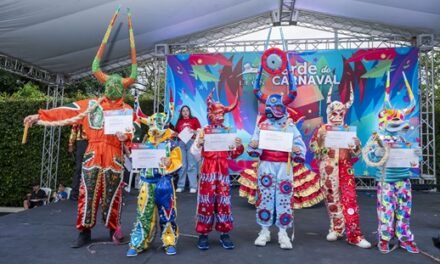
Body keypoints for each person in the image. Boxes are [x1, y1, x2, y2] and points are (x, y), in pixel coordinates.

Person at [23, 8, 137, 248]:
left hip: (114, 156)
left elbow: (131, 132)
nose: (114, 86)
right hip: (93, 154)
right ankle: (84, 232)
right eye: (111, 83)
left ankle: (112, 229)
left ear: (123, 88)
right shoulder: (91, 105)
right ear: (106, 86)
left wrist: (124, 135)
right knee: (87, 194)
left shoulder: (126, 109)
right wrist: (39, 115)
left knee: (113, 196)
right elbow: (66, 110)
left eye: (118, 84)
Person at [248, 48, 306, 249]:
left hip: (284, 166)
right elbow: (253, 145)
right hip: (266, 165)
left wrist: (298, 150)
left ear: (283, 107)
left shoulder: (289, 125)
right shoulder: (261, 125)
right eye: (271, 106)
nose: (275, 109)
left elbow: (299, 144)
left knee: (283, 197)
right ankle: (264, 231)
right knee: (265, 197)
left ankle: (283, 233)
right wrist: (254, 146)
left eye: (278, 106)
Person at [364, 71, 420, 254]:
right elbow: (370, 158)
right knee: (386, 211)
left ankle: (404, 238)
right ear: (385, 121)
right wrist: (378, 152)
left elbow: (413, 163)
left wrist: (415, 156)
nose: (398, 123)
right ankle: (384, 238)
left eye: (399, 120)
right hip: (386, 182)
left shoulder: (405, 140)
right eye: (394, 119)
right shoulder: (378, 139)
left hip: (403, 181)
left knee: (404, 211)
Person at [309, 83, 371, 249]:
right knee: (332, 200)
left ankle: (355, 235)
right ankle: (337, 228)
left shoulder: (347, 130)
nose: (337, 115)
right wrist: (320, 139)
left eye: (340, 113)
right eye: (333, 112)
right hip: (328, 170)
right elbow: (314, 150)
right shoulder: (321, 129)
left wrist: (357, 145)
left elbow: (357, 153)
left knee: (349, 199)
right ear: (328, 113)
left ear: (344, 113)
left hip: (345, 168)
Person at [126, 99, 182, 257]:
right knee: (143, 214)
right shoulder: (144, 143)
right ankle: (138, 242)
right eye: (152, 125)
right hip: (146, 183)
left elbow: (178, 163)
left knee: (168, 213)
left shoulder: (171, 143)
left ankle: (169, 240)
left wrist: (169, 161)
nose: (155, 129)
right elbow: (133, 160)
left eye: (159, 125)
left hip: (164, 183)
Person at [190, 88, 244, 250]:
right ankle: (203, 234)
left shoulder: (227, 131)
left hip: (222, 170)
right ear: (210, 113)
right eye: (216, 113)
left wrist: (238, 145)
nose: (219, 116)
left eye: (222, 113)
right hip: (208, 169)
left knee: (223, 202)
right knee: (206, 202)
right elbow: (194, 154)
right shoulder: (203, 131)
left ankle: (224, 233)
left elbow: (234, 154)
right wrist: (199, 144)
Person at [174, 105, 201, 193]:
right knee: (183, 165)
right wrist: (175, 134)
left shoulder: (194, 120)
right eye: (183, 111)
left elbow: (200, 132)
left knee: (191, 165)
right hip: (181, 143)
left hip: (191, 142)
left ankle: (193, 186)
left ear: (189, 112)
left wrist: (193, 131)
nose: (185, 112)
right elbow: (176, 133)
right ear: (181, 113)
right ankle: (180, 186)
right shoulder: (179, 121)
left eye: (187, 110)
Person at [68, 124, 88, 201]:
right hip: (82, 141)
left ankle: (91, 194)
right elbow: (74, 127)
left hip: (95, 141)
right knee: (79, 168)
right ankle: (74, 194)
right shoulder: (81, 113)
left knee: (94, 167)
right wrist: (71, 143)